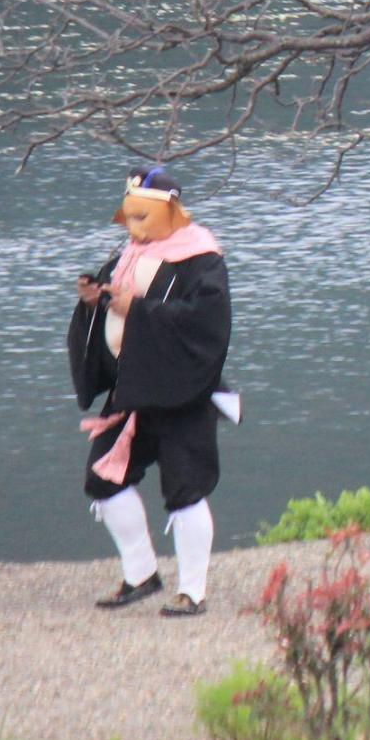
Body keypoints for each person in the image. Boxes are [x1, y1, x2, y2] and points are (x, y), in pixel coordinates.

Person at [68, 166, 237, 616]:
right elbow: (113, 309)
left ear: (171, 213)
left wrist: (137, 310)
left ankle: (193, 591)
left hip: (183, 392)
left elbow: (206, 323)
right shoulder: (126, 255)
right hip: (133, 388)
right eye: (131, 218)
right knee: (103, 479)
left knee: (186, 491)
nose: (135, 228)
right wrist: (95, 301)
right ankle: (141, 572)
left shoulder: (202, 260)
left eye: (144, 218)